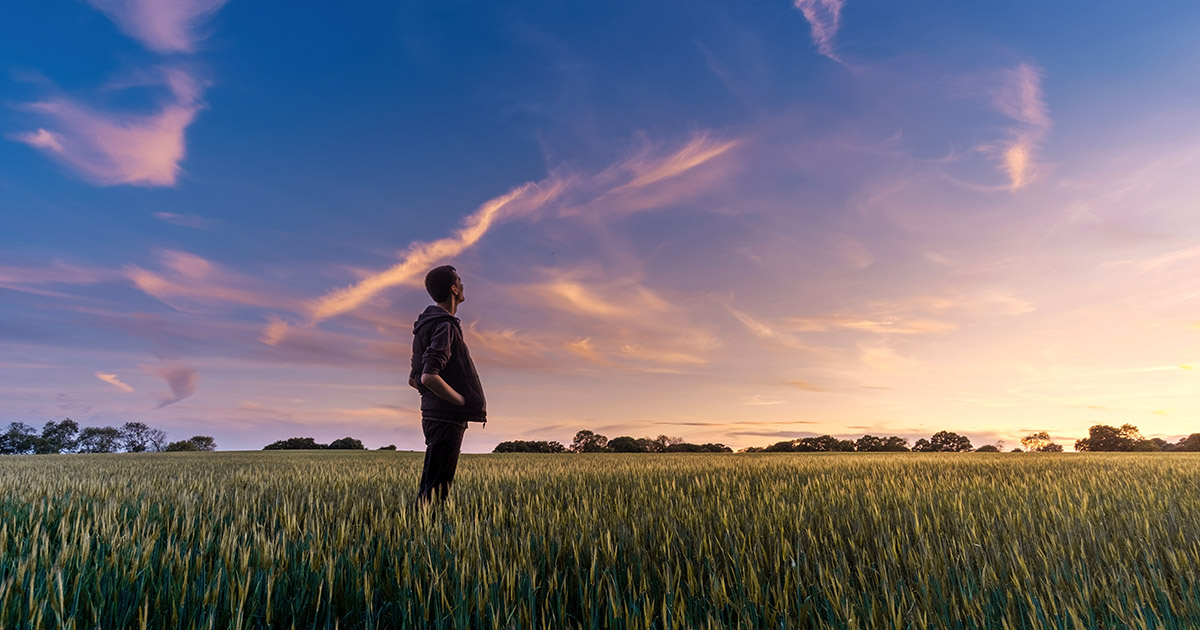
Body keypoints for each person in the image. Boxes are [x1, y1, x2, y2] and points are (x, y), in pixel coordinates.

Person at [409, 265, 486, 504]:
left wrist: (433, 401)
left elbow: (413, 378)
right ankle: (425, 536)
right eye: (460, 281)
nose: (463, 285)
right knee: (437, 491)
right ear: (454, 289)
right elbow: (427, 377)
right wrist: (461, 401)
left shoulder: (425, 326)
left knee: (431, 486)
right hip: (446, 417)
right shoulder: (445, 325)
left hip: (432, 415)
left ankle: (419, 532)